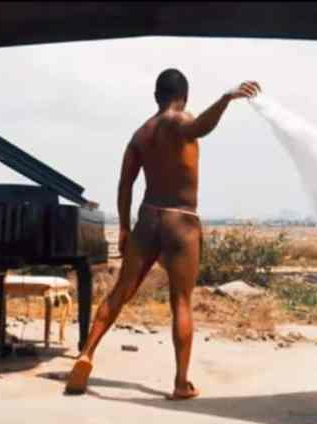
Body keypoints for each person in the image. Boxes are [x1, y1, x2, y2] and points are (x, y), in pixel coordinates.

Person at [65, 69, 261, 400]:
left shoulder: (140, 134)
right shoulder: (179, 120)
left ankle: (86, 354)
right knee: (181, 301)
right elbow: (200, 127)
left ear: (156, 96)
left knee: (119, 293)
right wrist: (226, 98)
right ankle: (181, 383)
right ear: (184, 96)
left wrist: (124, 228)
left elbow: (125, 185)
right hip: (181, 220)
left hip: (148, 219)